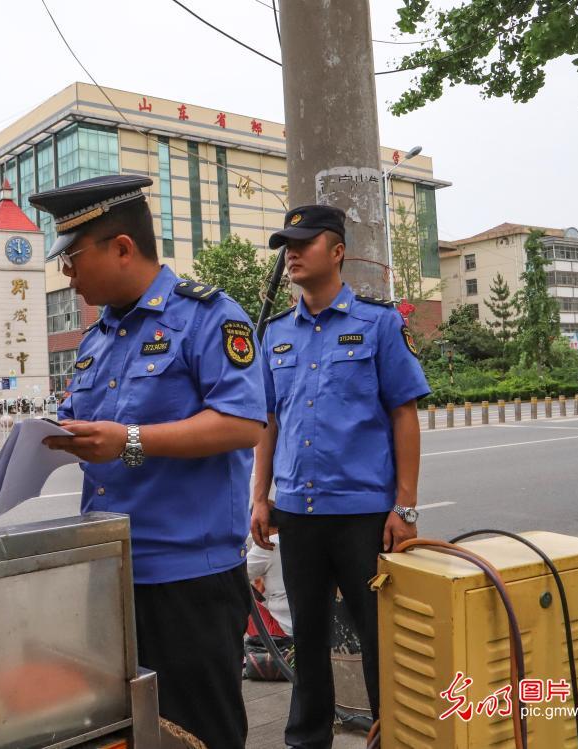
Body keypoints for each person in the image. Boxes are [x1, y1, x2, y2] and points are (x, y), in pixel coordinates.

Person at [33, 174, 267, 749]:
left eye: (72, 259)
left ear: (121, 247)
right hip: (111, 572)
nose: (68, 275)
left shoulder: (208, 316)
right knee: (125, 731)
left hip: (188, 578)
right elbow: (83, 422)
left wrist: (130, 440)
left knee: (199, 732)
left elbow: (243, 423)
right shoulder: (97, 338)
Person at [250, 205, 431, 749]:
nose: (293, 254)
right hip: (297, 514)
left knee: (379, 639)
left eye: (304, 243)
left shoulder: (378, 325)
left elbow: (403, 414)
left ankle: (391, 736)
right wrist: (260, 497)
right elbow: (268, 421)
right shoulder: (276, 334)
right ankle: (306, 740)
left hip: (363, 517)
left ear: (337, 251)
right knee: (307, 638)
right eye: (287, 245)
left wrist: (405, 507)